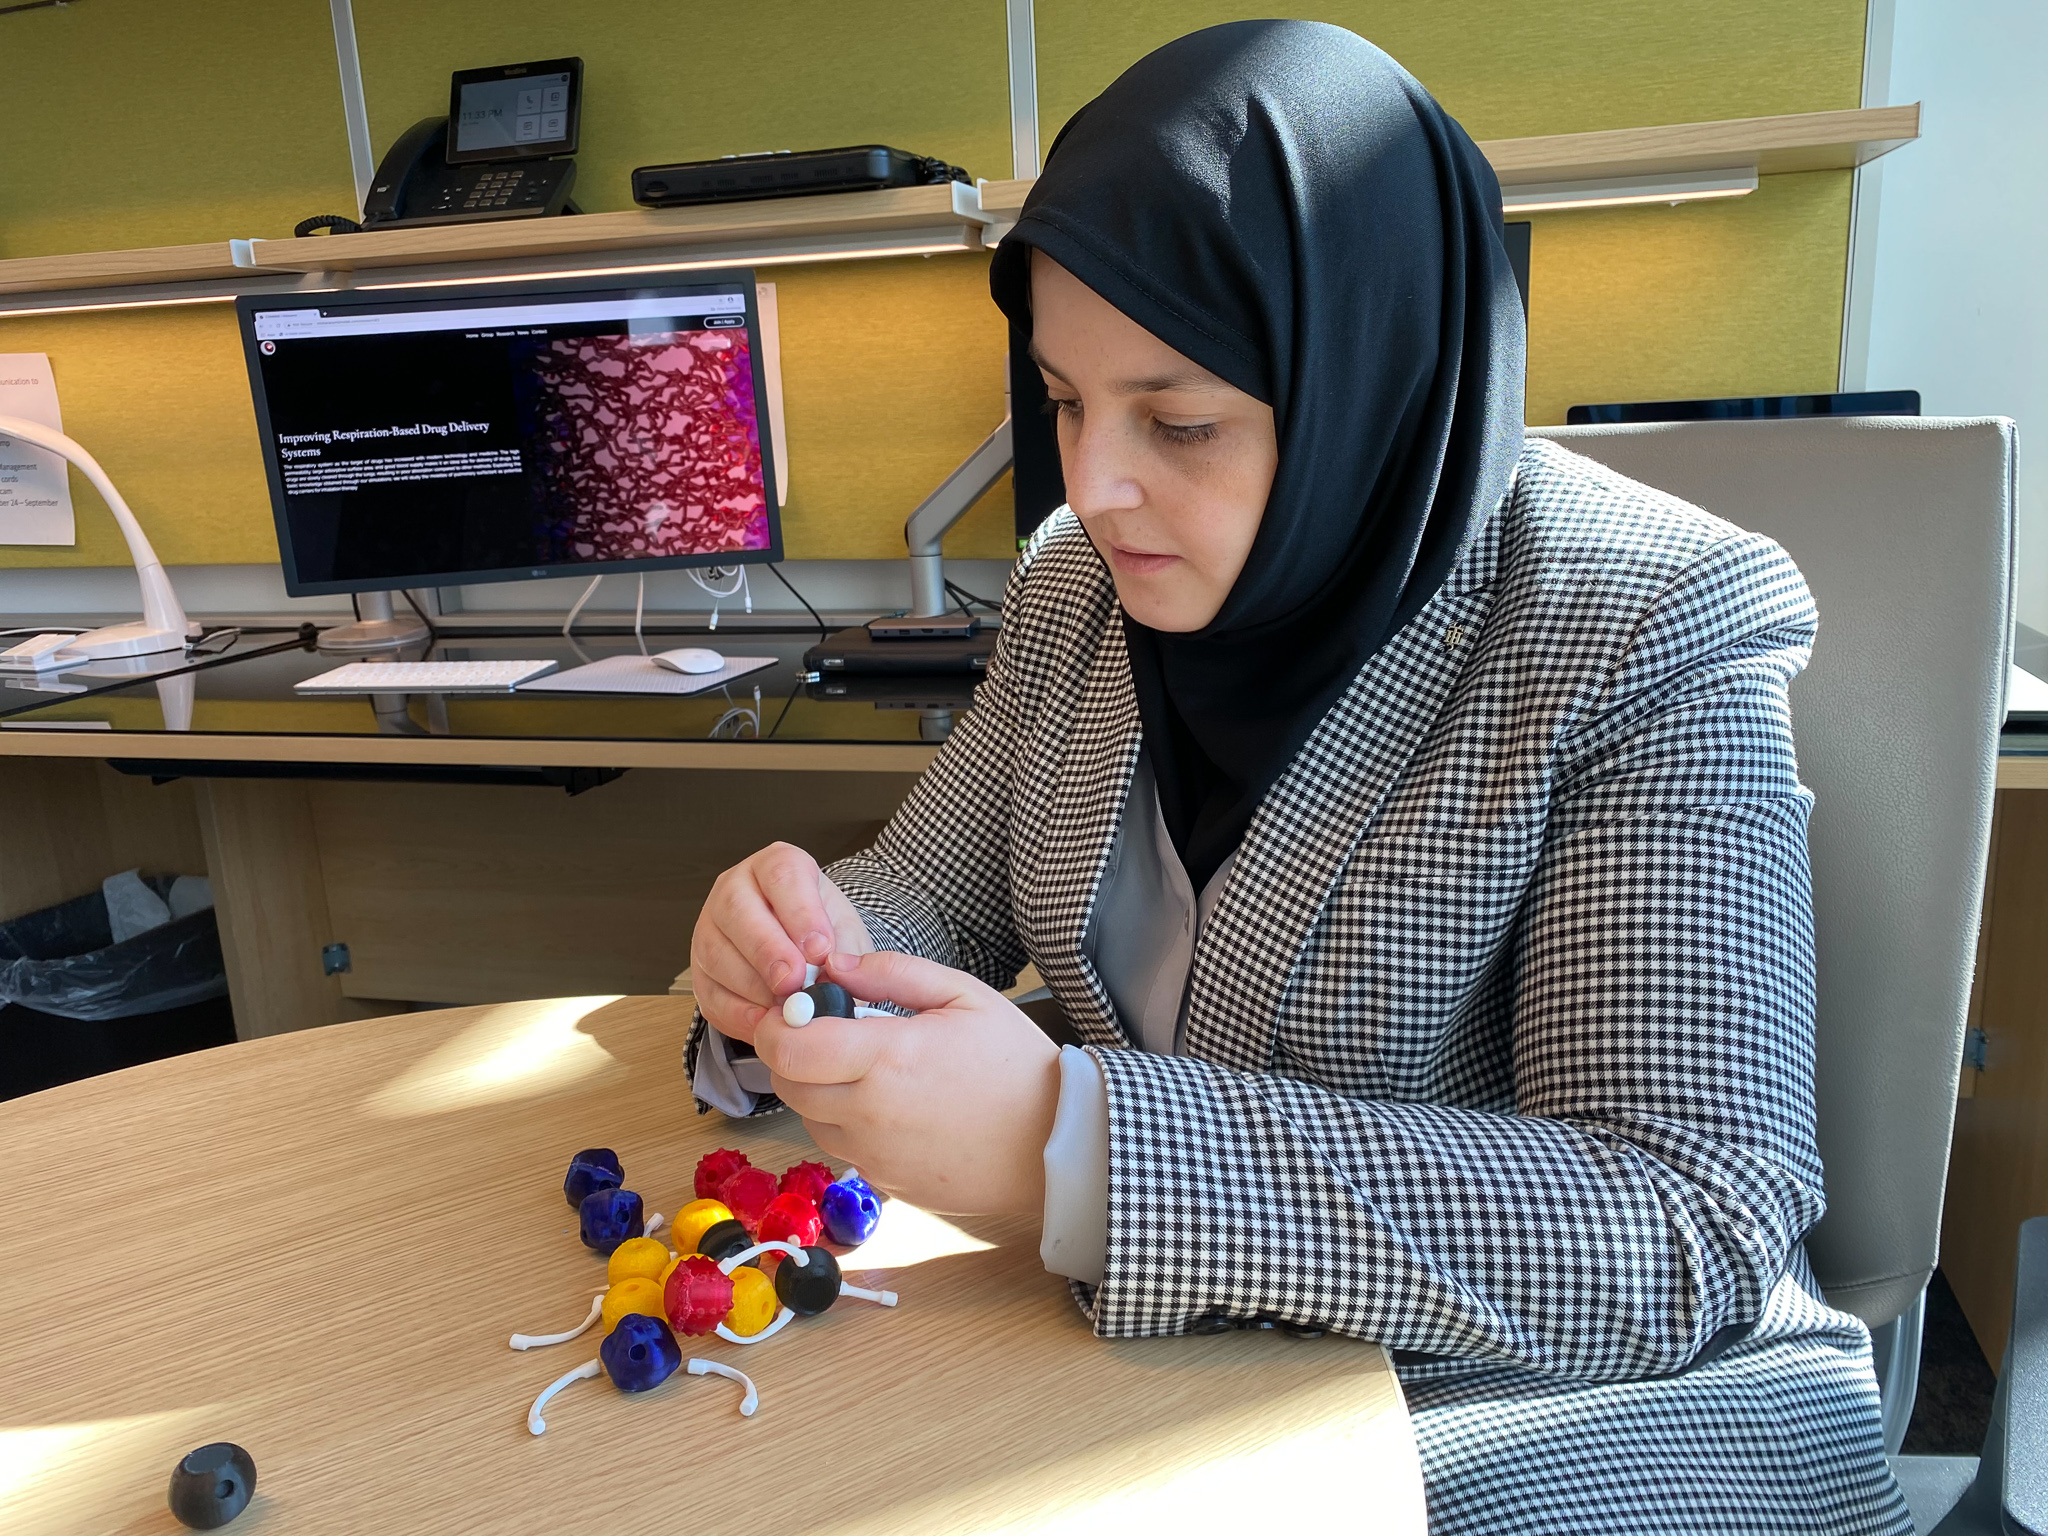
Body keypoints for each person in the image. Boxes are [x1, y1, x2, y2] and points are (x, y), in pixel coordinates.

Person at [687, 21, 1909, 1534]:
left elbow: (1680, 1223)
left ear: (1365, 376)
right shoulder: (1083, 588)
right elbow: (929, 892)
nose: (1093, 483)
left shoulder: (1642, 622)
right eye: (1065, 401)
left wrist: (1075, 1148)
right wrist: (799, 949)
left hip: (1551, 1405)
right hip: (1158, 1378)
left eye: (1180, 420)